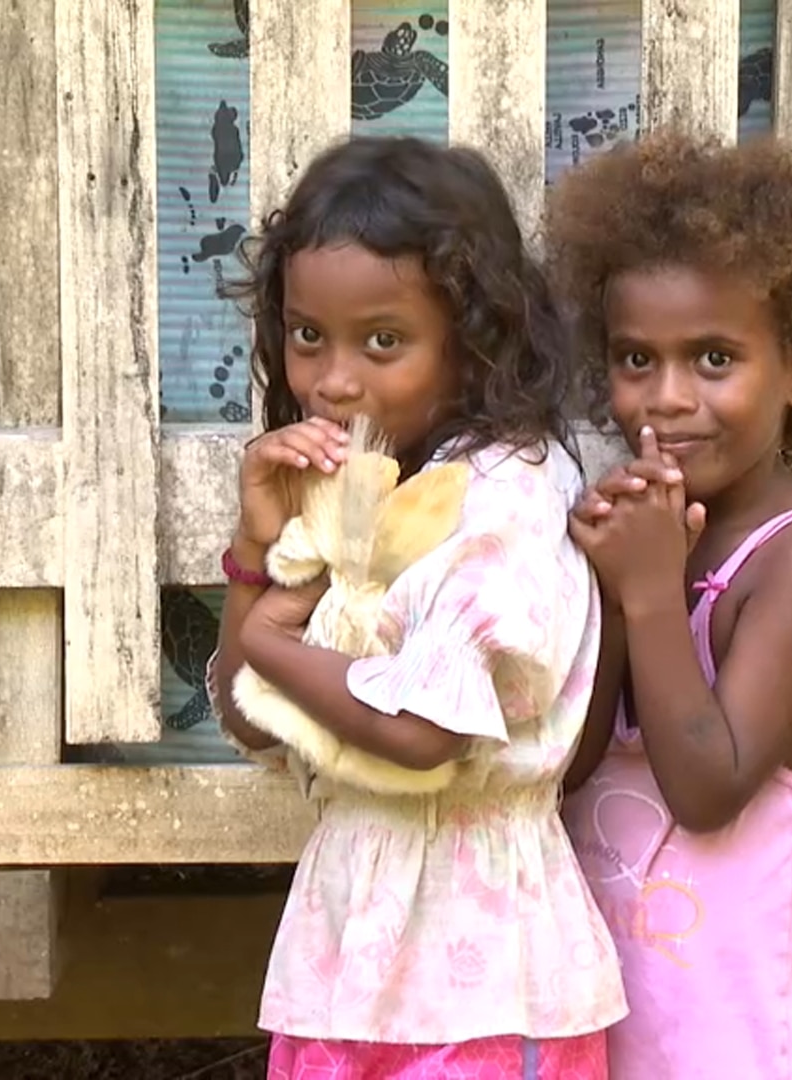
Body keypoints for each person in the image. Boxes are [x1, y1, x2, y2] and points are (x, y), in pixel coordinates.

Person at [204, 136, 624, 1079]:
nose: (334, 378)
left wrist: (275, 637)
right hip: (346, 955)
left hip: (483, 980)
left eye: (382, 341)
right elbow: (255, 720)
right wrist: (254, 551)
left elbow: (426, 731)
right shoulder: (369, 485)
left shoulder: (508, 497)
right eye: (308, 335)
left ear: (475, 342)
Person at [548, 127, 792, 1078]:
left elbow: (707, 790)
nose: (666, 399)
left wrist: (649, 594)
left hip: (741, 1050)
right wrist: (618, 596)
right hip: (595, 1028)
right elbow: (567, 767)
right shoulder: (634, 534)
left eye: (713, 360)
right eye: (633, 359)